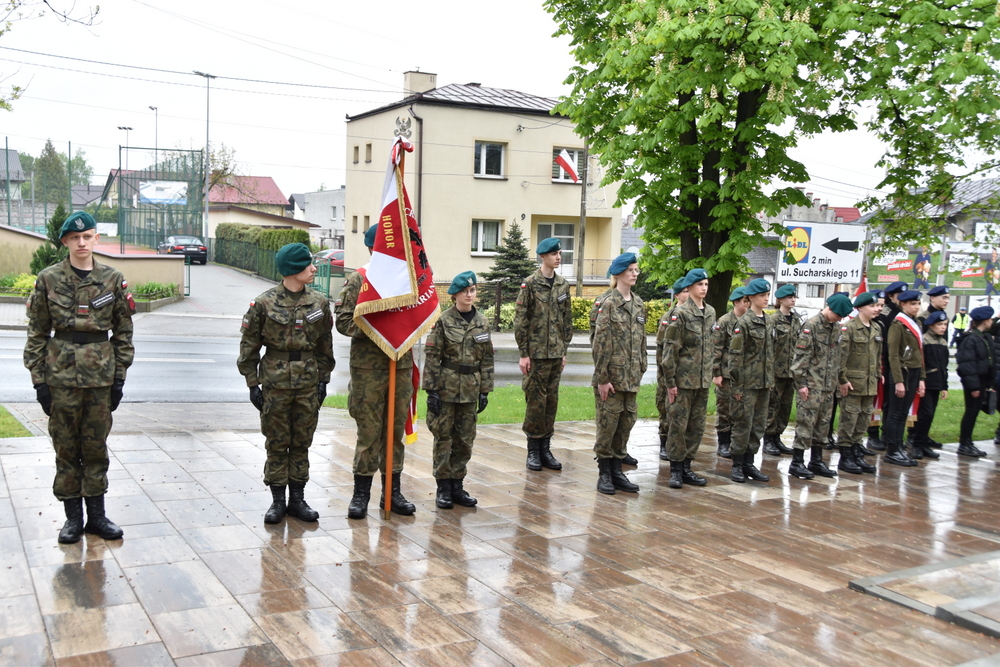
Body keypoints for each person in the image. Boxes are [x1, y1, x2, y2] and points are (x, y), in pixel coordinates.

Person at [24, 211, 134, 543]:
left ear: (96, 238)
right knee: (66, 447)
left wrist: (119, 378)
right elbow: (37, 333)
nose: (81, 242)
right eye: (75, 238)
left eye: (87, 236)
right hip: (60, 377)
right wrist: (39, 381)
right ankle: (73, 518)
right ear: (66, 242)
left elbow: (124, 333)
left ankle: (97, 517)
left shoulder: (112, 280)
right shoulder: (48, 279)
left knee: (96, 446)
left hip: (100, 377)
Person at [238, 243, 335, 523]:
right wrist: (252, 384)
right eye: (308, 264)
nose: (314, 268)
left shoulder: (318, 302)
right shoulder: (264, 304)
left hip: (307, 383)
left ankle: (298, 500)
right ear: (293, 269)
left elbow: (325, 345)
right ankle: (278, 502)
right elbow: (249, 347)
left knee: (302, 441)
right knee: (278, 442)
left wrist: (323, 379)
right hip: (275, 385)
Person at [335, 225, 417, 519]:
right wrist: (376, 322)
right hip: (369, 371)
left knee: (395, 434)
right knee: (369, 434)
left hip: (400, 365)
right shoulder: (359, 279)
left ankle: (393, 493)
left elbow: (418, 317)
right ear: (372, 249)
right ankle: (360, 495)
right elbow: (343, 322)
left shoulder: (405, 280)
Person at [423, 271, 494, 508]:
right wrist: (431, 390)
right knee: (444, 438)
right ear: (455, 295)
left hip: (471, 388)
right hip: (446, 387)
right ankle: (443, 487)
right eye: (465, 291)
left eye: (472, 290)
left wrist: (485, 390)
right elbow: (432, 356)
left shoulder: (482, 321)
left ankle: (457, 485)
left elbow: (486, 358)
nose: (469, 295)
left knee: (465, 440)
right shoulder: (443, 320)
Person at [514, 237, 574, 472]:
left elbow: (566, 320)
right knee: (535, 402)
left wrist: (564, 350)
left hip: (555, 353)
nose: (558, 257)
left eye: (559, 253)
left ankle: (546, 448)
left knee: (551, 401)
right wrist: (524, 353)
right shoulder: (530, 284)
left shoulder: (563, 285)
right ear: (543, 257)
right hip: (536, 354)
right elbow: (521, 320)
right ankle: (533, 450)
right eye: (553, 254)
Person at [592, 253, 646, 494]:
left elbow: (642, 342)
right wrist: (603, 379)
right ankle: (604, 474)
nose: (635, 273)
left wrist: (642, 367)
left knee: (625, 425)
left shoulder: (639, 303)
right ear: (619, 274)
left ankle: (617, 471)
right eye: (631, 270)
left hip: (631, 378)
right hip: (611, 378)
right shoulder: (608, 303)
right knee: (607, 426)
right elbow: (600, 343)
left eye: (636, 269)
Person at [661, 268, 716, 489]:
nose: (704, 288)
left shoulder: (710, 312)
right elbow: (670, 352)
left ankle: (687, 466)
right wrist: (670, 383)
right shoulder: (680, 314)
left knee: (697, 426)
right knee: (678, 426)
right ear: (690, 287)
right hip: (683, 382)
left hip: (701, 381)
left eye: (706, 284)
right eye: (700, 284)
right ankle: (675, 469)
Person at [789, 294, 853, 479]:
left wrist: (841, 379)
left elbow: (837, 357)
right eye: (839, 315)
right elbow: (800, 358)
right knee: (805, 424)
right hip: (811, 385)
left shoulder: (836, 328)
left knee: (823, 425)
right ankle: (797, 462)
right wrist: (801, 384)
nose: (840, 319)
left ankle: (816, 461)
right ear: (830, 309)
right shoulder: (811, 326)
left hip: (828, 386)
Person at [727, 278, 775, 483]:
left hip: (764, 383)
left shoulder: (770, 321)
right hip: (747, 384)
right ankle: (737, 464)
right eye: (762, 296)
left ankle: (749, 463)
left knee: (758, 425)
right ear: (751, 298)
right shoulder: (743, 323)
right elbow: (735, 356)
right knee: (743, 424)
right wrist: (737, 385)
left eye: (767, 295)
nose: (766, 299)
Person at [836, 292, 882, 475]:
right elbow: (841, 358)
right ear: (860, 308)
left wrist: (879, 374)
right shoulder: (849, 328)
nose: (876, 309)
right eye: (872, 306)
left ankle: (856, 451)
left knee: (863, 419)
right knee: (849, 420)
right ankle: (845, 456)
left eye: (877, 306)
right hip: (853, 384)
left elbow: (877, 356)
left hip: (869, 383)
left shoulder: (876, 328)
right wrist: (843, 380)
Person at [883, 289, 926, 466]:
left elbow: (920, 354)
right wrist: (898, 381)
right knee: (895, 413)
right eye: (912, 304)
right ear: (903, 304)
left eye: (918, 304)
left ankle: (899, 448)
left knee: (903, 414)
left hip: (914, 372)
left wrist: (922, 377)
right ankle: (892, 450)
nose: (916, 307)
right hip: (902, 373)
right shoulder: (898, 324)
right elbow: (893, 355)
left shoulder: (916, 324)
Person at [869, 281, 909, 452]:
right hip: (883, 359)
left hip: (896, 361)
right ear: (891, 296)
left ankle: (888, 434)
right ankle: (872, 434)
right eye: (899, 296)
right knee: (877, 400)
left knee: (890, 401)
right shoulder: (885, 314)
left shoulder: (902, 313)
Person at [764, 284, 801, 456]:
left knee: (785, 406)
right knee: (773, 405)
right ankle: (769, 438)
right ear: (780, 300)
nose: (792, 299)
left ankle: (778, 436)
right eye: (789, 297)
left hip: (791, 371)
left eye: (794, 297)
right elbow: (768, 347)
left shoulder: (797, 319)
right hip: (776, 371)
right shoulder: (772, 320)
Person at [711, 286, 747, 459]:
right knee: (724, 409)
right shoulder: (724, 321)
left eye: (749, 301)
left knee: (740, 410)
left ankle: (735, 441)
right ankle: (723, 442)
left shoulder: (749, 321)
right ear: (736, 302)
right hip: (725, 374)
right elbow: (716, 348)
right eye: (745, 301)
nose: (747, 304)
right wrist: (716, 373)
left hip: (743, 374)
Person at [655, 278, 689, 460]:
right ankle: (664, 443)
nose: (688, 294)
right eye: (685, 291)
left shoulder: (691, 315)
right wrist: (664, 374)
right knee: (665, 408)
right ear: (677, 295)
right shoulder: (670, 317)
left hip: (685, 374)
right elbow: (662, 347)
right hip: (667, 372)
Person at [956, 306, 995, 457]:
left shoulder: (982, 336)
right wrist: (974, 386)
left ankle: (968, 442)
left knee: (973, 412)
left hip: (982, 381)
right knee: (971, 413)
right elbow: (967, 364)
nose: (991, 322)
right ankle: (964, 443)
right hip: (975, 382)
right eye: (990, 319)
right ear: (985, 321)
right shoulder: (971, 338)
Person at [910, 310, 949, 460]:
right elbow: (921, 363)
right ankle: (917, 444)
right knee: (925, 414)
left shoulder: (943, 342)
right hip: (926, 383)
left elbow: (944, 367)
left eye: (945, 324)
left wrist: (944, 386)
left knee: (930, 414)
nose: (943, 327)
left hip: (937, 383)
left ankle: (924, 443)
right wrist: (921, 381)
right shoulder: (924, 341)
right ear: (931, 325)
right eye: (939, 324)